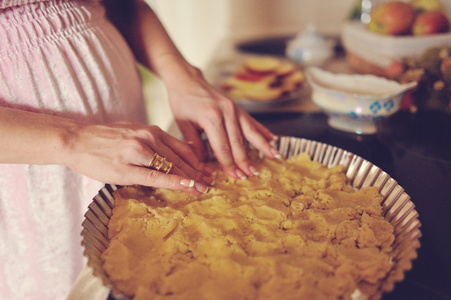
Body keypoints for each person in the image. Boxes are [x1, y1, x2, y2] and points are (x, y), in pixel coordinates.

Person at [0, 0, 281, 298]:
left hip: (118, 131)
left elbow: (121, 4)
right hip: (29, 155)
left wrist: (181, 75)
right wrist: (72, 140)